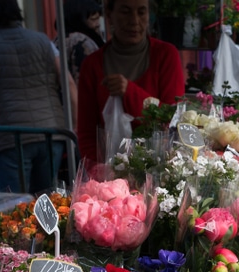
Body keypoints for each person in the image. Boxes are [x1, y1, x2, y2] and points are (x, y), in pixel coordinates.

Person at [0, 0, 78, 194]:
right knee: (46, 199)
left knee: (15, 205)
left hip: (10, 137)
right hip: (51, 133)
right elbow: (69, 84)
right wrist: (74, 125)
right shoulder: (43, 41)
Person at [77, 0, 185, 164]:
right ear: (109, 14)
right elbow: (87, 134)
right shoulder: (92, 65)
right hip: (110, 176)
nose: (134, 21)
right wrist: (98, 172)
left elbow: (174, 122)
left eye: (141, 12)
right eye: (125, 12)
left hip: (160, 170)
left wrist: (130, 92)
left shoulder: (166, 55)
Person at [64, 0, 104, 83]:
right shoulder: (82, 42)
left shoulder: (60, 40)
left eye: (98, 19)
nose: (98, 24)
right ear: (79, 20)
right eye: (93, 19)